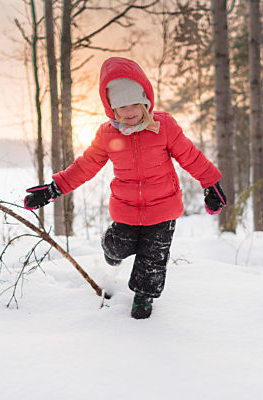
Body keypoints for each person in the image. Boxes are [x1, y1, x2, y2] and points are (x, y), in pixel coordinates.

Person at [24, 57, 226, 319]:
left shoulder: (164, 127)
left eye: (134, 104)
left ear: (145, 102)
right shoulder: (108, 135)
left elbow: (190, 156)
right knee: (117, 247)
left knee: (153, 259)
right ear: (112, 110)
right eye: (121, 106)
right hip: (126, 209)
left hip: (163, 207)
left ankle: (143, 297)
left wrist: (211, 183)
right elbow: (85, 166)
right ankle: (110, 250)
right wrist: (55, 188)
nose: (129, 111)